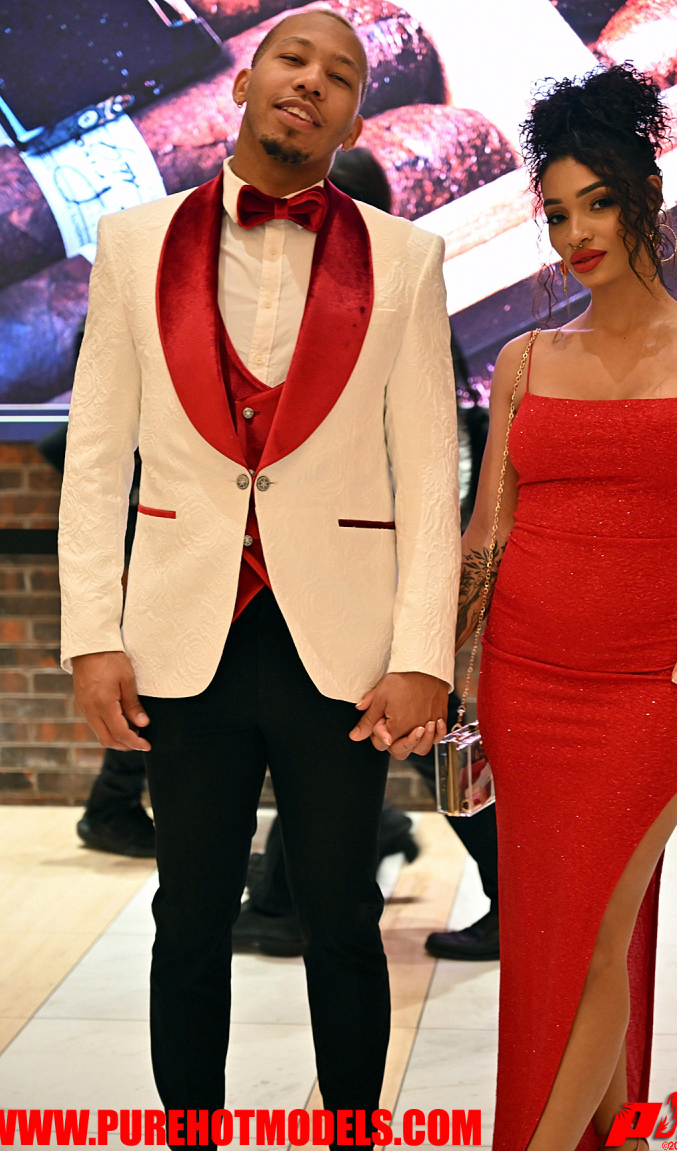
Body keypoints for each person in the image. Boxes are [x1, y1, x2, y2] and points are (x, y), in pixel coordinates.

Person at [59, 8, 460, 1140]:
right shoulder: (131, 243)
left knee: (341, 919)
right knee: (187, 919)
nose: (311, 82)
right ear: (244, 80)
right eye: (293, 59)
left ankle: (352, 1133)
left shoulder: (407, 259)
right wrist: (92, 636)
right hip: (182, 634)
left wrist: (423, 657)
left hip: (340, 646)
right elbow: (95, 460)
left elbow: (429, 472)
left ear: (355, 118)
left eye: (340, 75)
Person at [458, 64, 677, 1151]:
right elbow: (486, 532)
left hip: (652, 686)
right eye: (556, 213)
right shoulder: (522, 361)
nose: (575, 234)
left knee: (597, 932)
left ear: (645, 193)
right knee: (552, 939)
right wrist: (454, 675)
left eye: (595, 203)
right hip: (522, 681)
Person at [235, 149, 499, 962]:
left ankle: (516, 896)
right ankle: (286, 897)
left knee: (412, 735)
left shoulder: (393, 292)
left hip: (383, 575)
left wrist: (425, 590)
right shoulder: (328, 298)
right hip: (336, 570)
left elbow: (438, 459)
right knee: (349, 734)